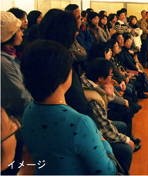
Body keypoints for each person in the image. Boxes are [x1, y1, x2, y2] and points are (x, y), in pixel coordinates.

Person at [20, 40, 116, 175]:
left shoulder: (28, 112)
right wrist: (104, 142)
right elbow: (107, 172)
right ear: (64, 75)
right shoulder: (80, 123)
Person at [1, 11, 32, 120]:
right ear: (9, 34)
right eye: (18, 30)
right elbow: (19, 97)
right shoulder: (3, 62)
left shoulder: (9, 56)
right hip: (15, 118)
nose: (22, 34)